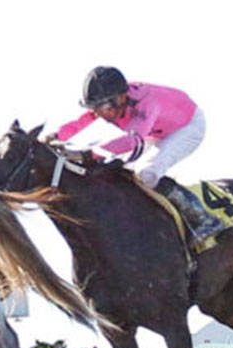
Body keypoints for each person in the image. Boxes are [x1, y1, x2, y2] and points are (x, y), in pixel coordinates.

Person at [48, 66, 222, 242]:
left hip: (188, 127)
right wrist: (56, 136)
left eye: (104, 107)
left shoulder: (147, 103)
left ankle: (201, 218)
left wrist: (88, 155)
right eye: (95, 109)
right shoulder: (112, 102)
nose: (99, 115)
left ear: (121, 97)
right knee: (124, 173)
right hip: (156, 132)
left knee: (147, 173)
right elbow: (82, 124)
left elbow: (129, 142)